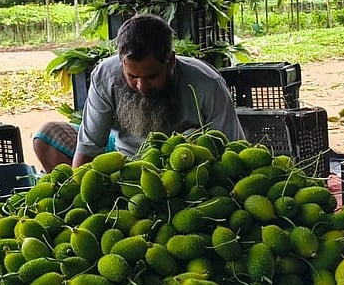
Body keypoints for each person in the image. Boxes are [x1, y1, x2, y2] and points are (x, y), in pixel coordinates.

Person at [32, 13, 245, 169]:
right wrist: (81, 197)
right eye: (132, 77)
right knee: (46, 136)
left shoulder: (207, 83)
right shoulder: (106, 75)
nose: (142, 86)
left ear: (170, 62)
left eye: (152, 77)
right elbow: (89, 147)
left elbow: (233, 150)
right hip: (121, 158)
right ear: (122, 63)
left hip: (182, 165)